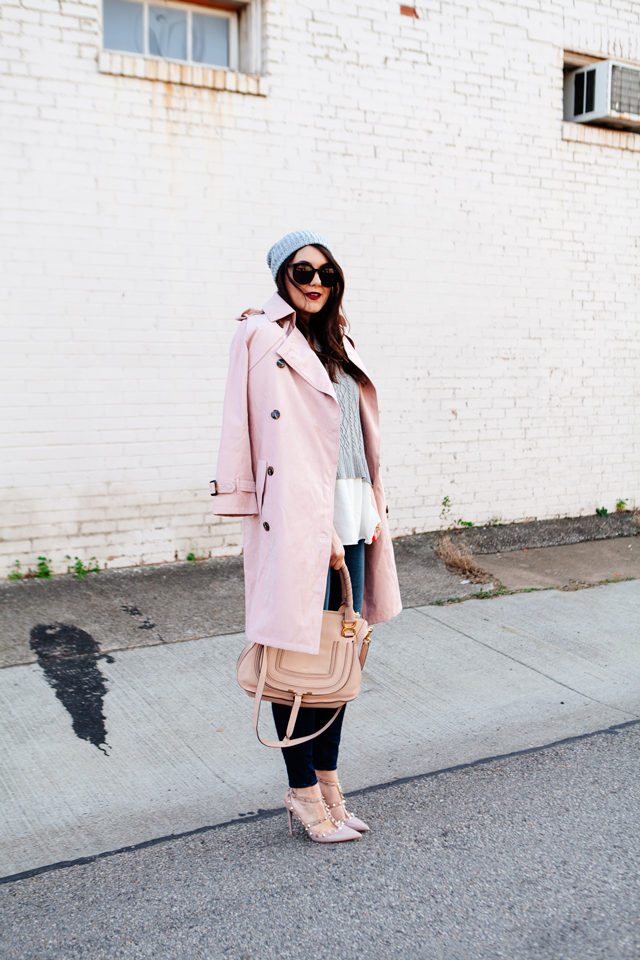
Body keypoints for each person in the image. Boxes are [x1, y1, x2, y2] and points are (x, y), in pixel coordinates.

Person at [212, 230, 402, 843]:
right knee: (294, 663)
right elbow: (239, 424)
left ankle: (328, 786)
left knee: (337, 658)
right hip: (298, 521)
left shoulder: (340, 341)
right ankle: (302, 795)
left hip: (352, 517)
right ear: (280, 278)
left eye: (325, 270)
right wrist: (241, 498)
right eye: (301, 271)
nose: (315, 280)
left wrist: (371, 506)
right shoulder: (260, 336)